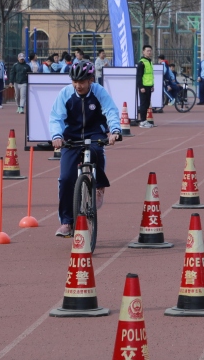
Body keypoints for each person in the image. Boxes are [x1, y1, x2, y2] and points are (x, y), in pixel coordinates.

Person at [49, 60, 121, 237]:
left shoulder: (99, 92)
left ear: (91, 80)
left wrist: (115, 131)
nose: (78, 85)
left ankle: (99, 186)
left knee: (97, 152)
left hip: (94, 133)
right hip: (71, 137)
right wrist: (57, 136)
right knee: (66, 179)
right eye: (75, 81)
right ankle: (67, 222)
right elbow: (56, 117)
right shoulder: (65, 93)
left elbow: (110, 111)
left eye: (82, 82)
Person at [136, 45, 155, 127]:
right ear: (143, 52)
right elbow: (139, 76)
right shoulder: (142, 63)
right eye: (147, 51)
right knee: (143, 104)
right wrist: (141, 87)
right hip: (143, 86)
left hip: (148, 85)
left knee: (147, 104)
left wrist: (152, 85)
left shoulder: (150, 62)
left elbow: (150, 75)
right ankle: (142, 121)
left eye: (150, 51)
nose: (149, 52)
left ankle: (144, 120)